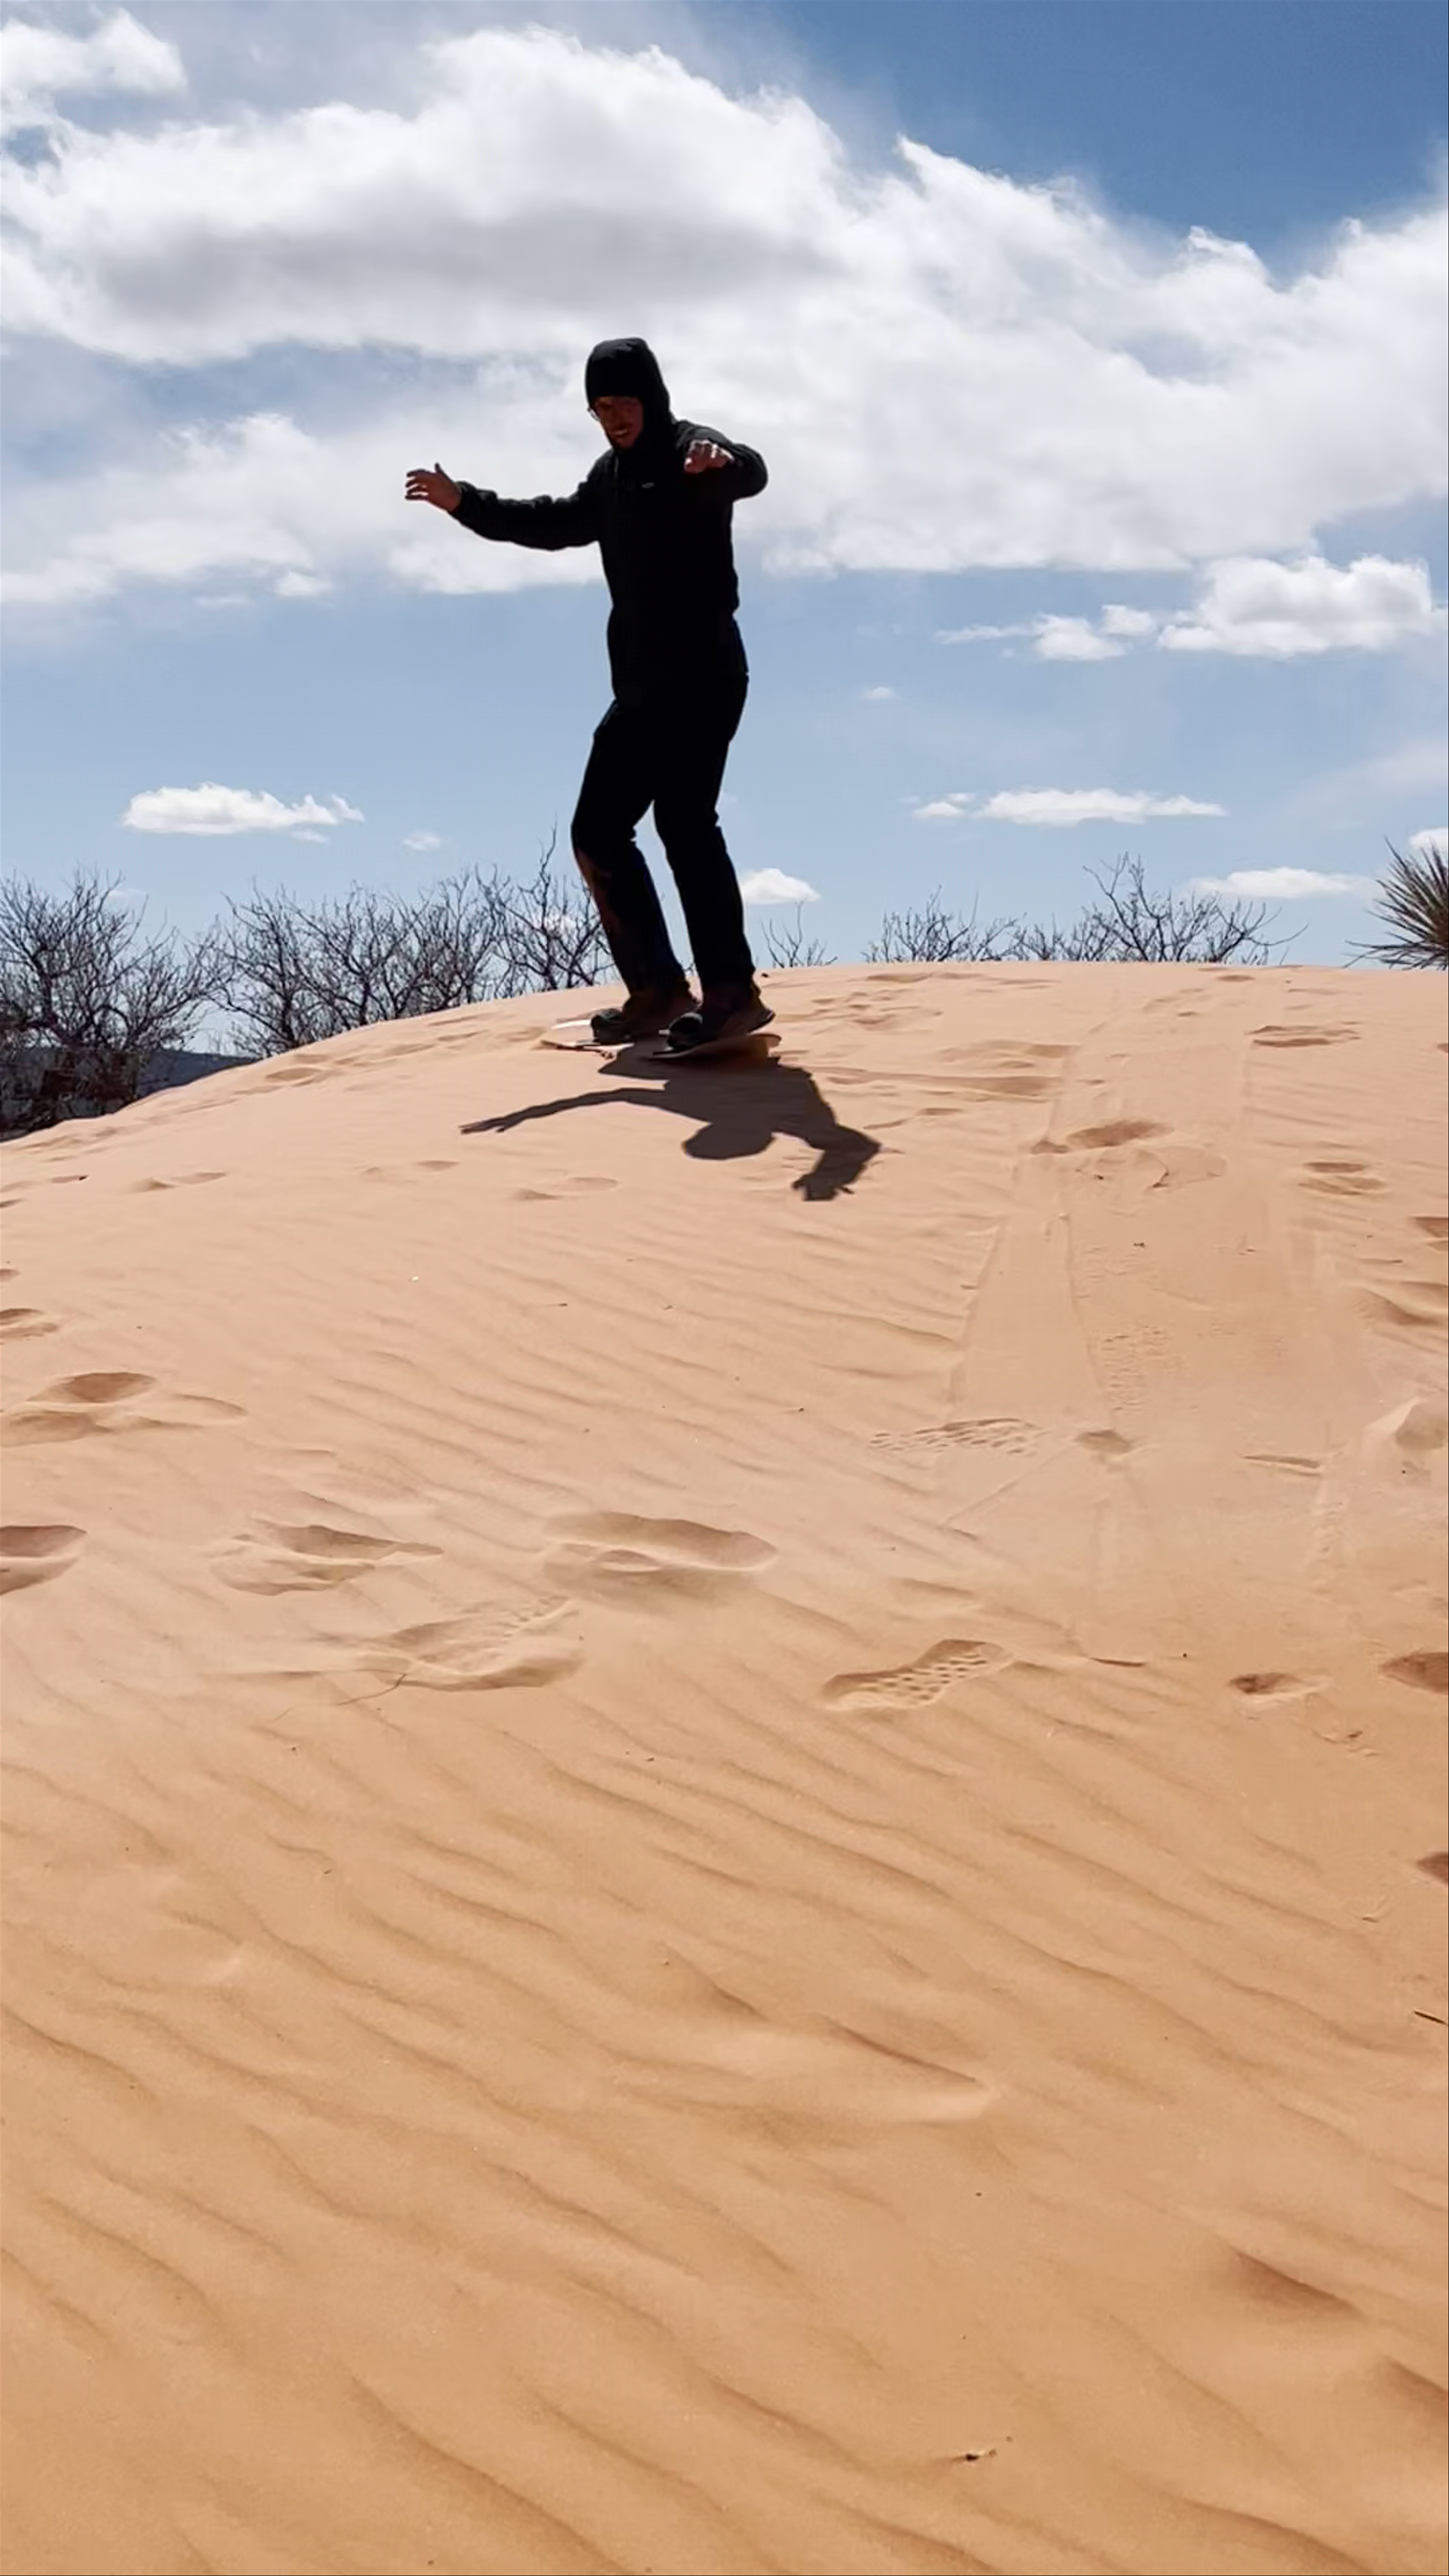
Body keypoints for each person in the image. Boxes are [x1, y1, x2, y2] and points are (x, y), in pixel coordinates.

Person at [406, 338, 773, 1053]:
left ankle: (732, 993)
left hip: (703, 678)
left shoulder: (689, 449)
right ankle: (659, 989)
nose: (614, 418)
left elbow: (749, 471)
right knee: (597, 832)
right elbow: (548, 522)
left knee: (685, 824)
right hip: (639, 691)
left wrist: (719, 465)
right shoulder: (607, 479)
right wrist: (463, 503)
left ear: (651, 398)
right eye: (601, 408)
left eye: (625, 403)